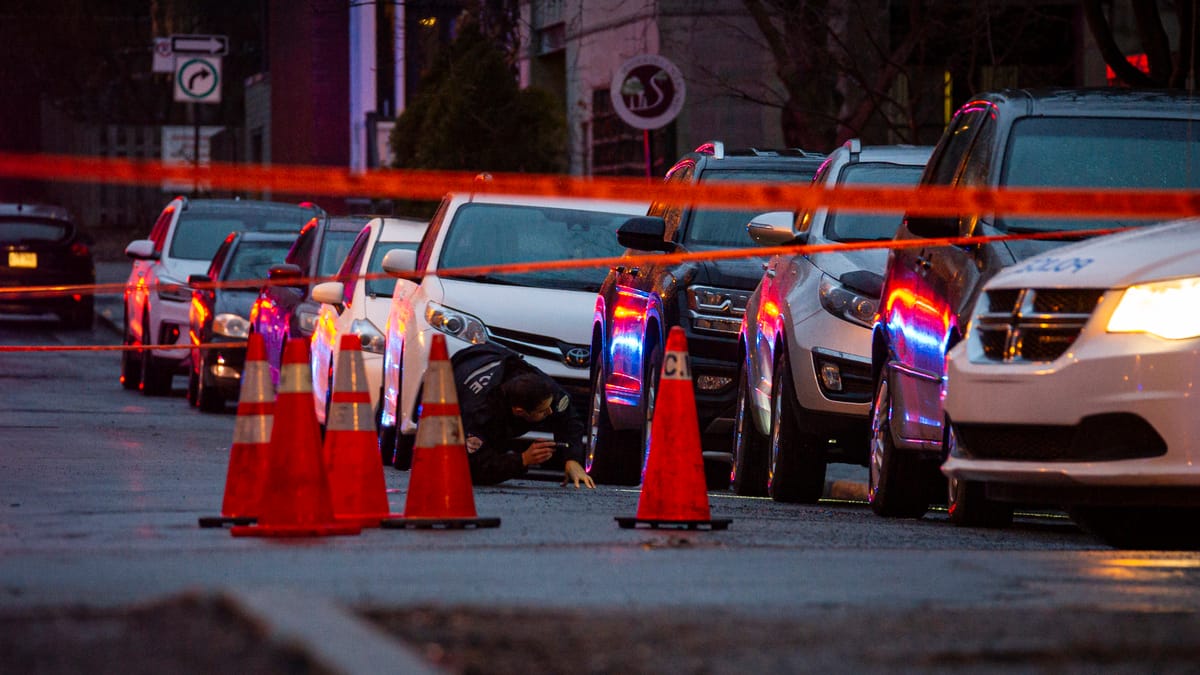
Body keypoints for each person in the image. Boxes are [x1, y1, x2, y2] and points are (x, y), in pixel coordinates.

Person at [450, 342, 595, 488]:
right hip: (459, 369)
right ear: (519, 411)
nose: (550, 412)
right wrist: (523, 460)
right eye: (542, 411)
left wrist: (572, 459)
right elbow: (474, 468)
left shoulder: (544, 386)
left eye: (549, 406)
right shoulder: (479, 414)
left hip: (495, 355)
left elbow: (570, 419)